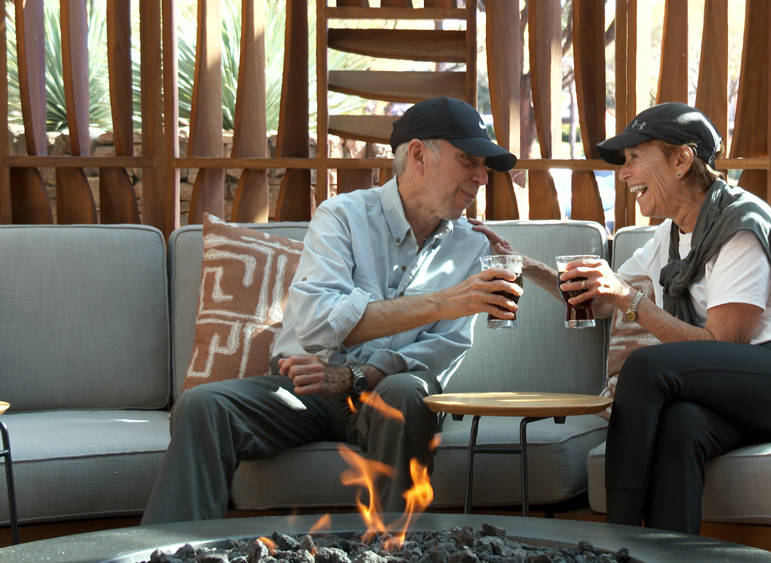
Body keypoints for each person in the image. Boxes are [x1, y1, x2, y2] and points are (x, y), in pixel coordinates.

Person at [142, 97, 521, 525]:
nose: (481, 177)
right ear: (418, 155)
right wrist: (444, 301)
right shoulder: (341, 216)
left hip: (384, 395)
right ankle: (172, 553)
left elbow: (442, 350)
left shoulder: (473, 247)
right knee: (201, 406)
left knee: (410, 391)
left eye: (483, 165)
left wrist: (357, 375)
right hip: (304, 390)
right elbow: (319, 323)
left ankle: (392, 551)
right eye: (468, 159)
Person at [473, 102, 771, 534]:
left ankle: (618, 540)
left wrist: (629, 299)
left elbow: (725, 344)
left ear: (682, 160)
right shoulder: (668, 238)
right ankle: (667, 554)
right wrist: (521, 263)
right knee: (681, 426)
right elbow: (594, 297)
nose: (624, 173)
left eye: (634, 158)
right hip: (745, 391)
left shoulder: (739, 224)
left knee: (647, 366)